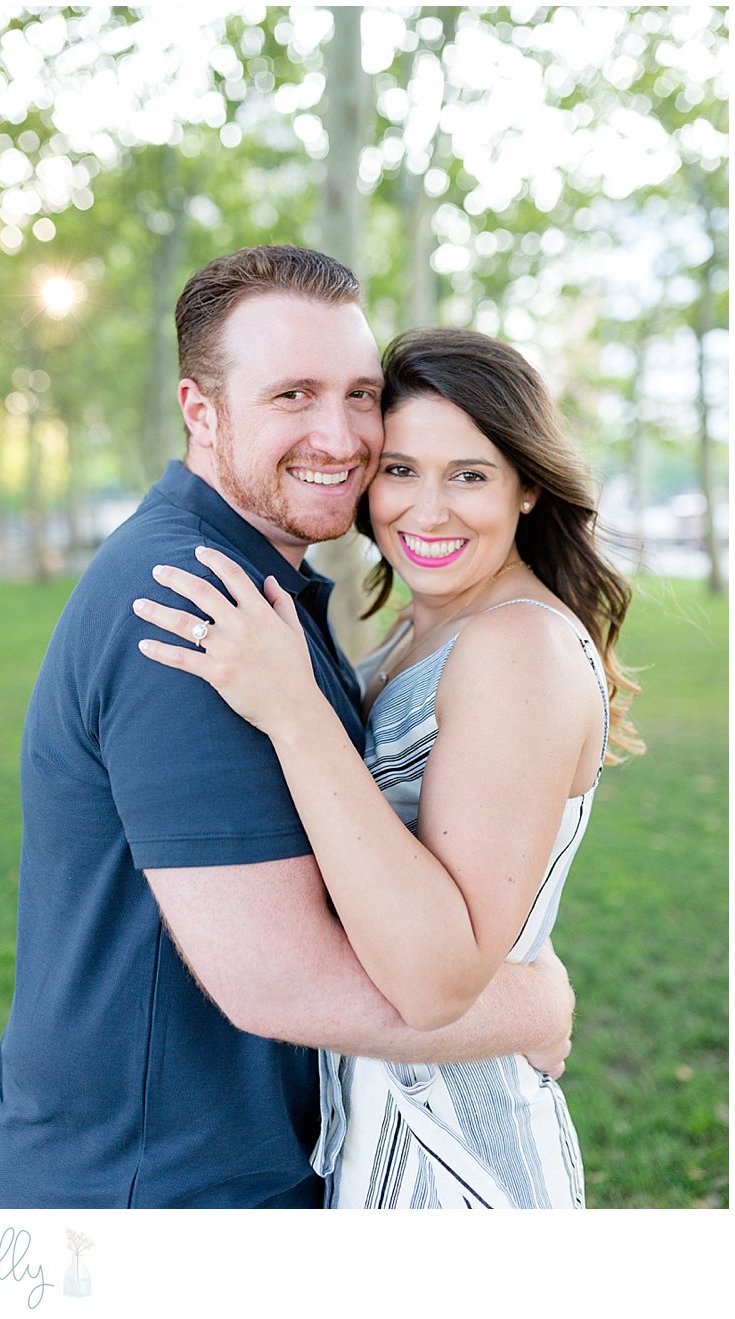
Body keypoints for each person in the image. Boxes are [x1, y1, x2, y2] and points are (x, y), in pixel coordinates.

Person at [0, 245, 576, 1209]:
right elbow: (277, 982)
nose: (339, 438)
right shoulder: (187, 600)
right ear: (199, 411)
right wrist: (533, 1002)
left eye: (358, 393)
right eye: (291, 395)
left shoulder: (265, 592)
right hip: (150, 1190)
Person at [137, 326, 640, 1208]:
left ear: (527, 487)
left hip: (458, 1165)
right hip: (370, 1137)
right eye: (400, 470)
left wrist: (293, 711)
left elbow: (434, 978)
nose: (427, 509)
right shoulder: (425, 625)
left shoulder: (516, 645)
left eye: (470, 474)